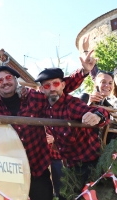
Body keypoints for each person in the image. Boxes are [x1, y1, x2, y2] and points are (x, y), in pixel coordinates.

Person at [0, 51, 96, 200]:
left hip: (37, 168)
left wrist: (84, 71)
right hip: (9, 171)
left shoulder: (33, 98)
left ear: (16, 80)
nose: (4, 82)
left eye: (8, 77)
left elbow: (55, 89)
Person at [35, 68, 110, 197]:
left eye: (56, 84)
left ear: (63, 85)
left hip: (91, 163)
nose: (52, 88)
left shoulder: (71, 104)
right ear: (42, 89)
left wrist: (97, 116)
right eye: (47, 85)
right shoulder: (44, 107)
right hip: (71, 165)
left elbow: (101, 113)